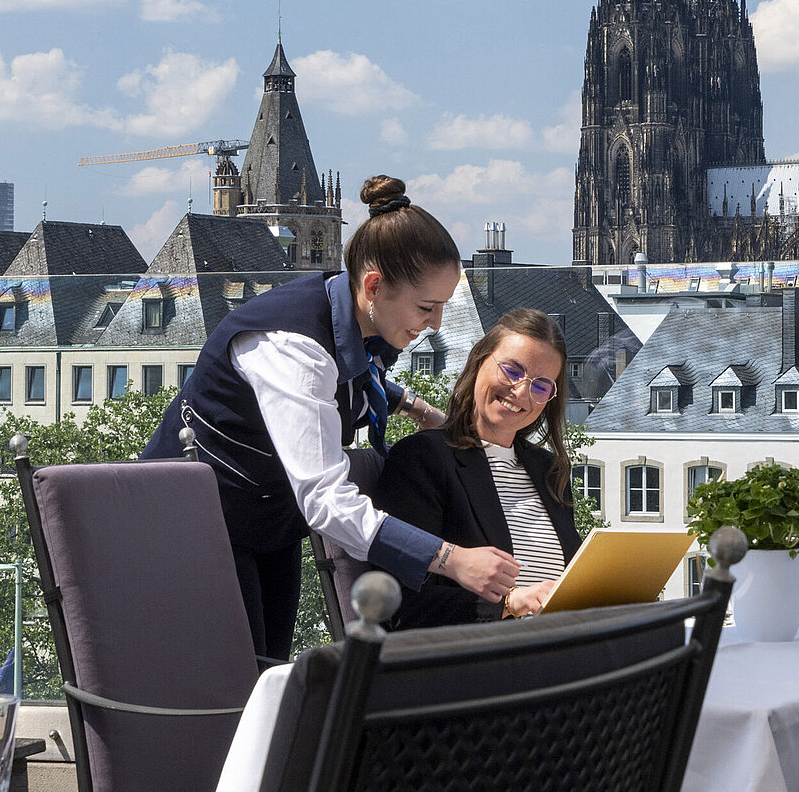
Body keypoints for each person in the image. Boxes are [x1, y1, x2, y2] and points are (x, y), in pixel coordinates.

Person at [142, 175, 520, 659]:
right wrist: (450, 559)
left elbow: (354, 378)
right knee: (235, 683)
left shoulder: (354, 315)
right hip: (193, 524)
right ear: (374, 285)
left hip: (267, 517)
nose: (436, 324)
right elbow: (325, 499)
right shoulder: (293, 346)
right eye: (427, 307)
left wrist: (417, 408)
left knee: (268, 671)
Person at [372, 309, 582, 629]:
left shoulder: (549, 471)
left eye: (541, 386)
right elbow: (397, 603)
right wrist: (509, 604)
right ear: (479, 361)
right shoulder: (424, 459)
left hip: (559, 642)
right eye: (511, 370)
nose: (521, 392)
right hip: (478, 651)